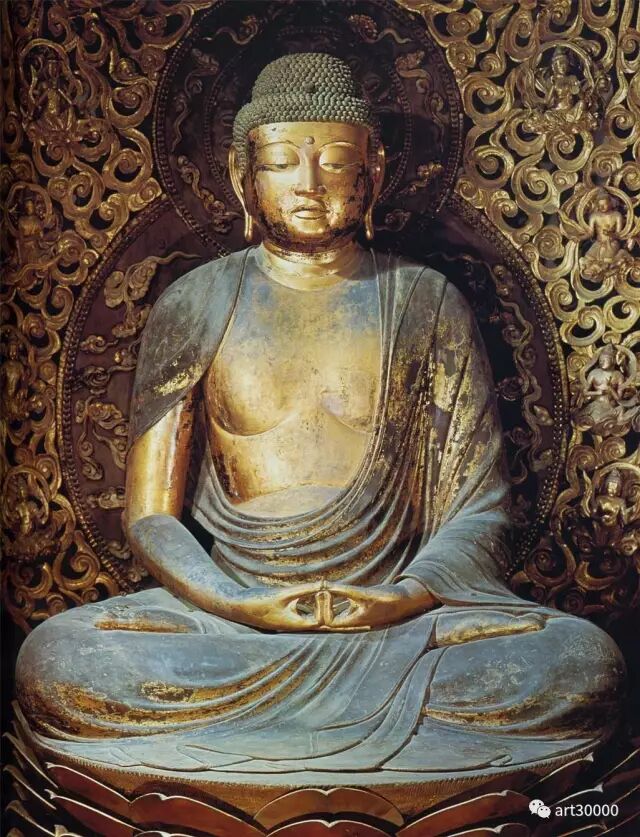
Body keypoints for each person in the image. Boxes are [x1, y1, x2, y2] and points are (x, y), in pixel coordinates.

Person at [16, 53, 624, 781]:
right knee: (58, 659)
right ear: (243, 176)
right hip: (231, 620)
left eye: (335, 161)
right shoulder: (194, 302)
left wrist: (397, 598)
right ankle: (360, 741)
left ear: (374, 174)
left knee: (580, 663)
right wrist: (242, 603)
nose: (309, 183)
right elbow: (151, 516)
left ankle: (265, 745)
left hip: (398, 621)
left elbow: (478, 510)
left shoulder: (425, 302)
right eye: (282, 161)